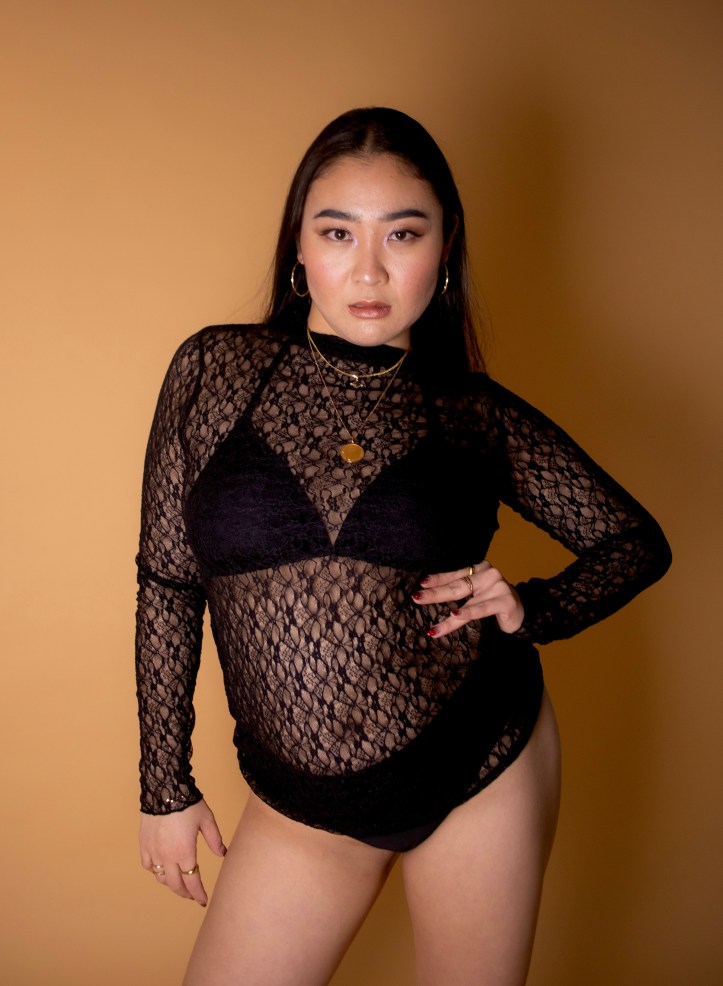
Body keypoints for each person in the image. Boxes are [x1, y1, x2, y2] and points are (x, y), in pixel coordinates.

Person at [135, 107, 671, 986]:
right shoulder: (214, 371)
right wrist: (165, 784)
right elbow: (167, 580)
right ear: (298, 246)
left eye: (403, 234)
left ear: (444, 248)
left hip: (474, 766)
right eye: (337, 232)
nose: (368, 269)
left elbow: (633, 543)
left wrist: (531, 607)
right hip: (303, 801)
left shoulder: (472, 415)